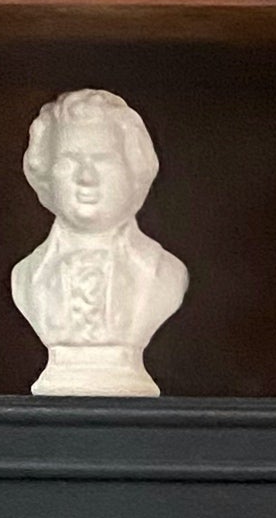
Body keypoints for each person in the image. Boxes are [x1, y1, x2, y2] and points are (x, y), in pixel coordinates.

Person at [13, 88, 186, 397]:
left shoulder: (164, 273)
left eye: (103, 160)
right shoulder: (27, 276)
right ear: (45, 175)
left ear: (134, 170)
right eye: (69, 161)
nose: (87, 178)